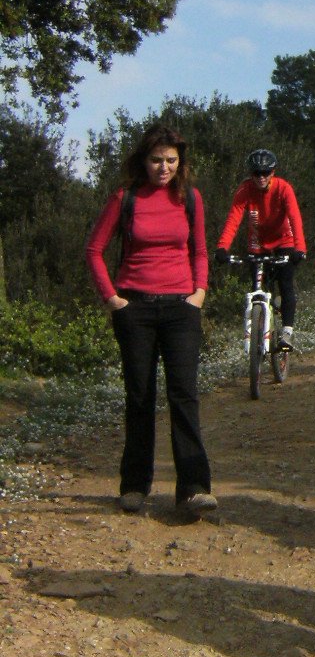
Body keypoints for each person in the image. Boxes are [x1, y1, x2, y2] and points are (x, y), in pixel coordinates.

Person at [85, 124, 216, 519]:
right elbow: (94, 250)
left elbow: (200, 252)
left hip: (181, 308)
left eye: (171, 160)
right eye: (157, 159)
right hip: (135, 309)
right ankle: (134, 487)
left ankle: (193, 489)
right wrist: (113, 300)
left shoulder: (190, 198)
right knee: (140, 396)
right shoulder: (124, 198)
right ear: (143, 160)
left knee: (184, 394)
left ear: (181, 162)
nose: (164, 167)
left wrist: (199, 294)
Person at [215, 149, 307, 350]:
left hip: (284, 239)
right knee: (258, 286)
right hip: (258, 241)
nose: (261, 177)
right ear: (251, 174)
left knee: (285, 284)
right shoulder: (245, 190)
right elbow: (234, 219)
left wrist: (299, 248)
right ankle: (260, 322)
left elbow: (295, 217)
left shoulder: (284, 188)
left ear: (273, 172)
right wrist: (222, 247)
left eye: (266, 172)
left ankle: (287, 333)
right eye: (257, 173)